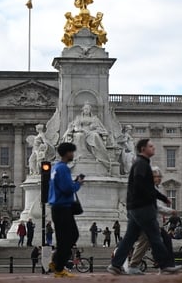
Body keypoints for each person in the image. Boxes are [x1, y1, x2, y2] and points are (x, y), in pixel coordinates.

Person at [108, 139, 182, 275]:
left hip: (136, 207)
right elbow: (141, 186)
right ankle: (166, 265)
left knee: (130, 238)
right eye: (150, 146)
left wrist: (163, 198)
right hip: (143, 207)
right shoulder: (142, 164)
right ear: (143, 149)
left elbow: (146, 187)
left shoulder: (141, 164)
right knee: (155, 236)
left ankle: (115, 264)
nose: (153, 148)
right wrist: (150, 199)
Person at [127, 166, 175, 275]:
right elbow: (156, 207)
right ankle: (134, 265)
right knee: (146, 242)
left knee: (163, 241)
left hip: (155, 222)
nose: (160, 178)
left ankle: (166, 266)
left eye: (160, 176)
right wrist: (170, 211)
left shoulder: (156, 188)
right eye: (157, 176)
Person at [48, 142, 85, 278]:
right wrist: (78, 184)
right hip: (63, 207)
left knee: (63, 237)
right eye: (72, 152)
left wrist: (73, 183)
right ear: (67, 153)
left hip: (57, 207)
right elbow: (66, 189)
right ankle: (58, 266)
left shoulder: (55, 167)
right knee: (71, 236)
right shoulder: (63, 168)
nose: (73, 155)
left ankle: (56, 263)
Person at [62, 103, 110, 169]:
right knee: (79, 136)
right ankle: (79, 155)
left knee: (95, 136)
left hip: (91, 132)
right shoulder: (78, 118)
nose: (86, 110)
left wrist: (93, 128)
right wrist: (80, 129)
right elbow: (75, 126)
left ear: (90, 110)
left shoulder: (94, 118)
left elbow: (100, 128)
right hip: (81, 131)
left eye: (88, 109)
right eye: (85, 109)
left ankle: (98, 155)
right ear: (83, 110)